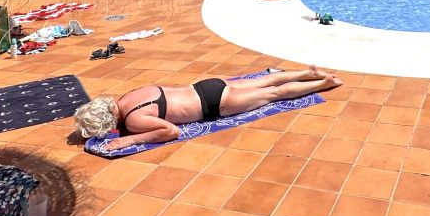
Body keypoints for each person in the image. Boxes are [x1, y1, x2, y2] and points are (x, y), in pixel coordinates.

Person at [75, 66, 343, 151]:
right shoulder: (128, 96)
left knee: (274, 94)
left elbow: (170, 131)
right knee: (266, 81)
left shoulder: (134, 121)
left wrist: (130, 140)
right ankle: (308, 72)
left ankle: (324, 83)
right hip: (206, 86)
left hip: (215, 104)